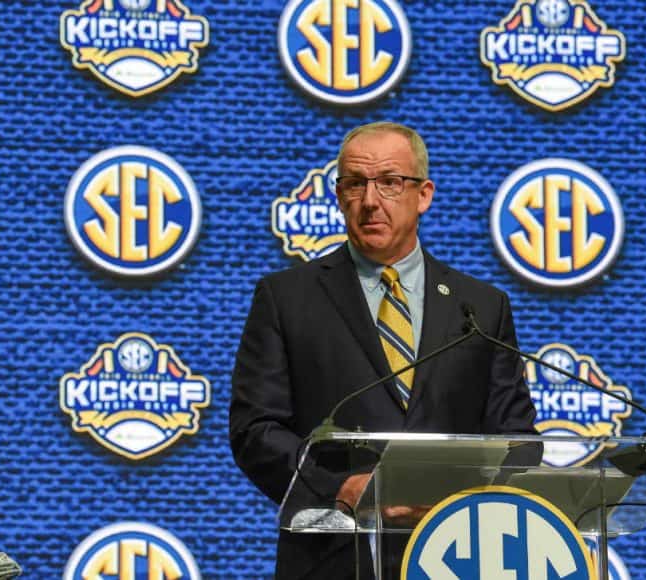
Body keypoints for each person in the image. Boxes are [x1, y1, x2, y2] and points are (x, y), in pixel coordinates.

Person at [229, 122, 538, 579]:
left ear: (424, 195)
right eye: (355, 184)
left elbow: (518, 442)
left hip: (459, 558)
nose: (370, 201)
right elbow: (256, 429)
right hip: (332, 557)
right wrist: (344, 488)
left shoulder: (482, 309)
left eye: (390, 182)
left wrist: (457, 498)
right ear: (338, 196)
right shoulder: (287, 299)